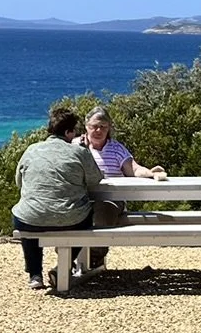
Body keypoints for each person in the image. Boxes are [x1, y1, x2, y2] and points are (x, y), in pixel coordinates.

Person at [12, 105, 106, 292]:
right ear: (69, 132)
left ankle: (35, 275)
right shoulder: (79, 152)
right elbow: (96, 180)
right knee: (87, 216)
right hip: (71, 219)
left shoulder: (31, 150)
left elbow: (19, 182)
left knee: (29, 212)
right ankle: (65, 264)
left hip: (29, 220)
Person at [79, 106, 163, 272]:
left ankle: (94, 257)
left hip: (111, 200)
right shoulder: (76, 147)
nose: (98, 130)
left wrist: (150, 173)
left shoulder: (116, 148)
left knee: (103, 209)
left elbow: (133, 168)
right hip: (81, 199)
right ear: (86, 126)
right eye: (94, 126)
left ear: (109, 127)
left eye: (103, 126)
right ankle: (69, 262)